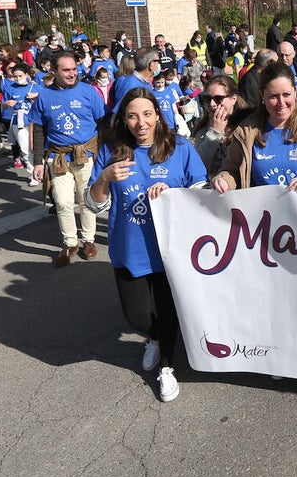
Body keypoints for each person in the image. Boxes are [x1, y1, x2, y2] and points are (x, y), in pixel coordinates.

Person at [211, 62, 297, 398]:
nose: (280, 103)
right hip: (263, 235)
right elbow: (230, 171)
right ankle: (280, 358)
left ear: (296, 95)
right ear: (262, 97)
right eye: (273, 97)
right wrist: (222, 181)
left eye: (287, 95)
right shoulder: (248, 131)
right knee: (273, 301)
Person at [86, 87, 208, 402]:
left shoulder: (179, 147)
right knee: (136, 316)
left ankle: (168, 368)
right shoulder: (112, 150)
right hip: (130, 249)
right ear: (123, 120)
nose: (141, 122)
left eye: (147, 114)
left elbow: (202, 193)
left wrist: (172, 192)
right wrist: (104, 179)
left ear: (158, 114)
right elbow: (92, 204)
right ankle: (153, 337)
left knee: (168, 310)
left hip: (170, 250)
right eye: (132, 115)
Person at [30, 51, 107, 266]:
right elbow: (38, 129)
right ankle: (70, 242)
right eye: (66, 70)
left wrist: (103, 155)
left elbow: (103, 123)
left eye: (74, 69)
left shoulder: (89, 92)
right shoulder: (44, 96)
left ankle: (88, 240)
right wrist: (38, 161)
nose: (73, 73)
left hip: (87, 155)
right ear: (54, 71)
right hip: (58, 157)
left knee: (86, 200)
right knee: (63, 201)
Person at [191, 74, 248, 179]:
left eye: (218, 98)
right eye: (208, 99)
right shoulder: (202, 127)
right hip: (209, 188)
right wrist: (215, 132)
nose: (212, 104)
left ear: (234, 98)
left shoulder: (246, 126)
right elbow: (196, 165)